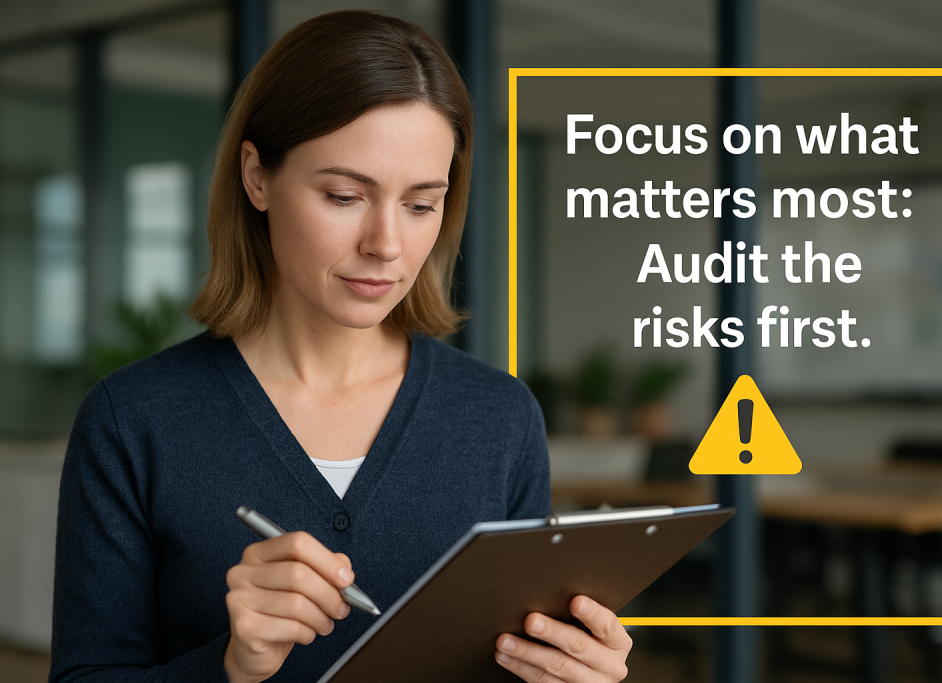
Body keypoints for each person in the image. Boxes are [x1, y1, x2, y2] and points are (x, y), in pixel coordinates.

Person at [50, 10, 632, 683]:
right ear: (257, 176)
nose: (386, 244)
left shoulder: (499, 417)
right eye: (345, 194)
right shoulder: (133, 421)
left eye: (421, 204)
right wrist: (231, 667)